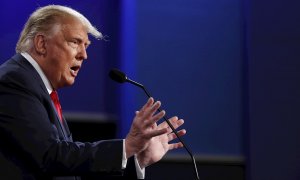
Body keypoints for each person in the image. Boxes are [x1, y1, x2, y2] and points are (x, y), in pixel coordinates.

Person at [0, 5, 186, 180]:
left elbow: (68, 169)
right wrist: (126, 147)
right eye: (75, 42)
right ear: (41, 44)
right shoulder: (14, 81)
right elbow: (49, 156)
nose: (84, 55)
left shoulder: (34, 85)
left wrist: (137, 159)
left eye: (86, 45)